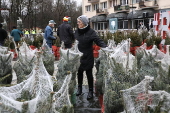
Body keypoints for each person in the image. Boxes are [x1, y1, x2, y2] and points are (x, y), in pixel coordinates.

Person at [74, 15, 107, 100]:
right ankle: (79, 88)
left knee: (89, 74)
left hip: (88, 56)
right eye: (77, 22)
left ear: (84, 23)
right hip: (79, 57)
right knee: (79, 73)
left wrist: (105, 47)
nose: (77, 23)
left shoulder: (91, 32)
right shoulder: (76, 32)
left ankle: (90, 91)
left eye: (79, 22)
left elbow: (98, 40)